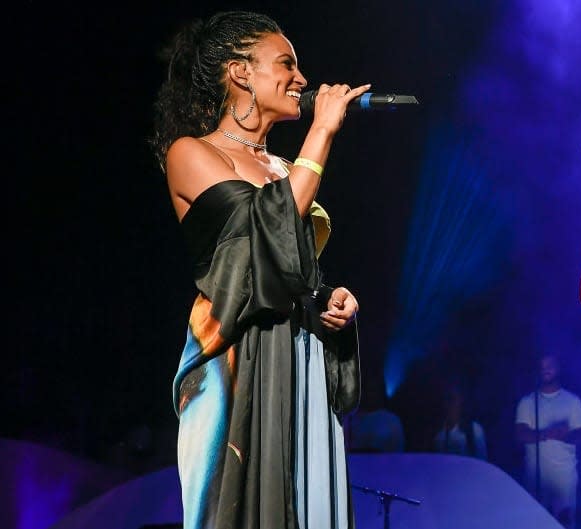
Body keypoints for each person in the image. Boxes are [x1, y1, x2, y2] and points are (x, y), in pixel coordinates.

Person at [149, 10, 370, 529]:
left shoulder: (287, 170)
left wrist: (330, 299)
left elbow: (292, 267)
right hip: (239, 358)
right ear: (239, 72)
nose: (302, 79)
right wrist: (322, 132)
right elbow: (259, 240)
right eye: (286, 64)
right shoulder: (193, 153)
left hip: (298, 352)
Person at [515, 352, 581, 529]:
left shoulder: (572, 401)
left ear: (558, 368)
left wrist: (564, 435)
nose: (545, 370)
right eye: (542, 366)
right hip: (535, 480)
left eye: (550, 365)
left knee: (562, 525)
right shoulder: (527, 402)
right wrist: (549, 433)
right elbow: (520, 434)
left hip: (564, 481)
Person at [431, 378, 488, 460]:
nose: (448, 404)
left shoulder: (475, 431)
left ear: (460, 401)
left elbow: (483, 463)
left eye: (452, 399)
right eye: (446, 399)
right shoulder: (438, 434)